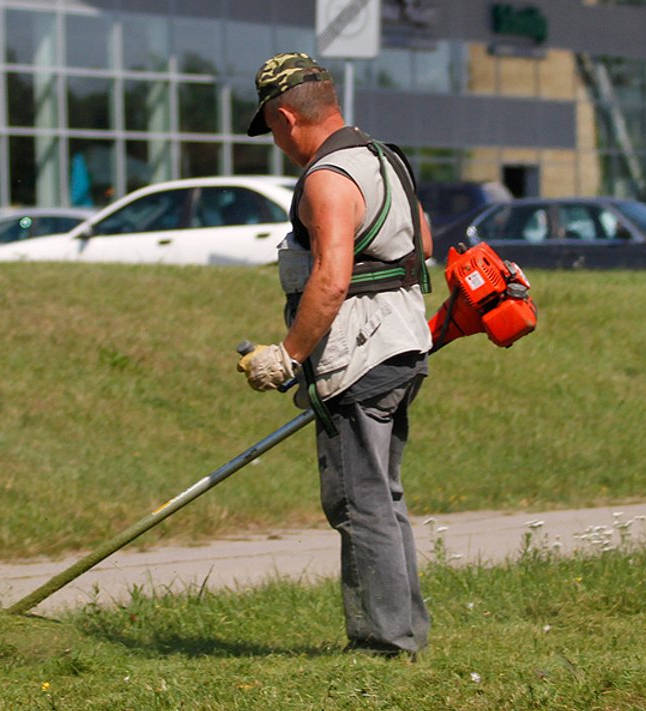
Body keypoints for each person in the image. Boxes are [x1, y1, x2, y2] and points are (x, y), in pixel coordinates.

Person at [236, 52, 434, 660]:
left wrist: (286, 357)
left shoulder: (326, 177)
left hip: (359, 358)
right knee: (384, 496)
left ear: (288, 116)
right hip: (404, 345)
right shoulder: (386, 160)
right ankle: (403, 633)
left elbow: (331, 279)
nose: (275, 140)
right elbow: (422, 243)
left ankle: (382, 645)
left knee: (358, 500)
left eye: (270, 128)